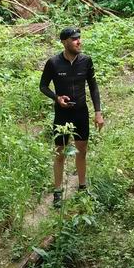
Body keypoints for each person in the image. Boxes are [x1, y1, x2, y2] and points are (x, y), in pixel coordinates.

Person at [39, 27, 104, 207]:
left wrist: (98, 112)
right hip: (62, 114)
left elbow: (93, 87)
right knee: (60, 153)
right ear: (64, 41)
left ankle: (82, 187)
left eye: (79, 38)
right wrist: (56, 98)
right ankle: (58, 191)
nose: (78, 41)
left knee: (82, 151)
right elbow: (43, 86)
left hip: (81, 113)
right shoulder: (53, 63)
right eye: (74, 39)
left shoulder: (86, 61)